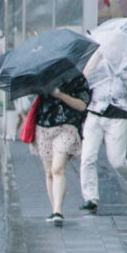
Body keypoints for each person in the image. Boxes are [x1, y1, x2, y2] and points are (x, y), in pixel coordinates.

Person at [30, 74, 90, 226]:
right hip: (43, 127)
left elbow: (82, 105)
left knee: (58, 169)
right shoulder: (43, 75)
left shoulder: (76, 77)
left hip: (67, 126)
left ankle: (58, 211)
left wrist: (60, 95)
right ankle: (54, 209)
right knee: (49, 172)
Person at [79, 50, 127, 213]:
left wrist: (123, 71)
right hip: (95, 112)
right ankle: (90, 198)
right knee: (87, 157)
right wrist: (97, 58)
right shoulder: (97, 62)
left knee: (117, 161)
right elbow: (84, 78)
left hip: (117, 115)